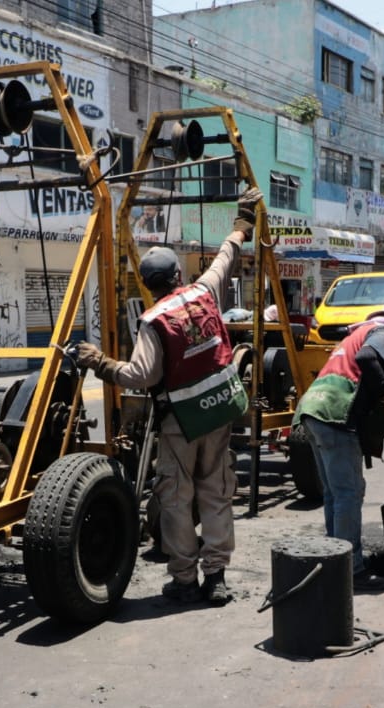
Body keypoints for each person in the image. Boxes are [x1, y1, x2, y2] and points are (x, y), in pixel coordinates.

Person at [75, 187, 261, 606]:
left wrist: (99, 362)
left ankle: (184, 579)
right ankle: (217, 577)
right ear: (179, 275)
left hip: (181, 424)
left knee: (176, 498)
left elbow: (142, 375)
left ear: (148, 284)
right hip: (219, 415)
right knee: (215, 493)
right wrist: (241, 224)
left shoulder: (153, 321)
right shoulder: (205, 293)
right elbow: (223, 260)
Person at [292, 298, 384, 591]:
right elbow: (367, 360)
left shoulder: (356, 334)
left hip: (312, 411)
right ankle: (352, 569)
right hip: (335, 416)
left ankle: (334, 559)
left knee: (334, 495)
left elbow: (367, 400)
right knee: (349, 493)